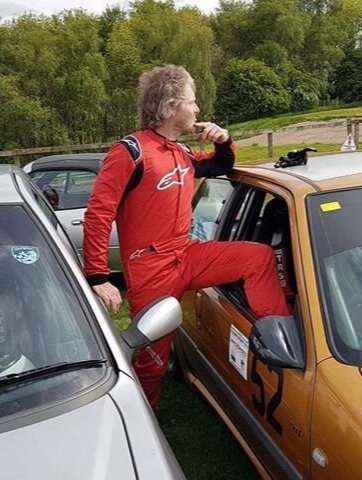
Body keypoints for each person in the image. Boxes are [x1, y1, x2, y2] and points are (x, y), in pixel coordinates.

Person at [83, 65, 291, 408]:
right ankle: (142, 420)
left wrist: (224, 141)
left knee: (258, 256)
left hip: (188, 254)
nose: (197, 109)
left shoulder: (181, 151)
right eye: (192, 102)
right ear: (171, 106)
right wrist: (98, 276)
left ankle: (280, 341)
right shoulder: (130, 151)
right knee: (152, 361)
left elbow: (219, 166)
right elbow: (98, 214)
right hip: (150, 269)